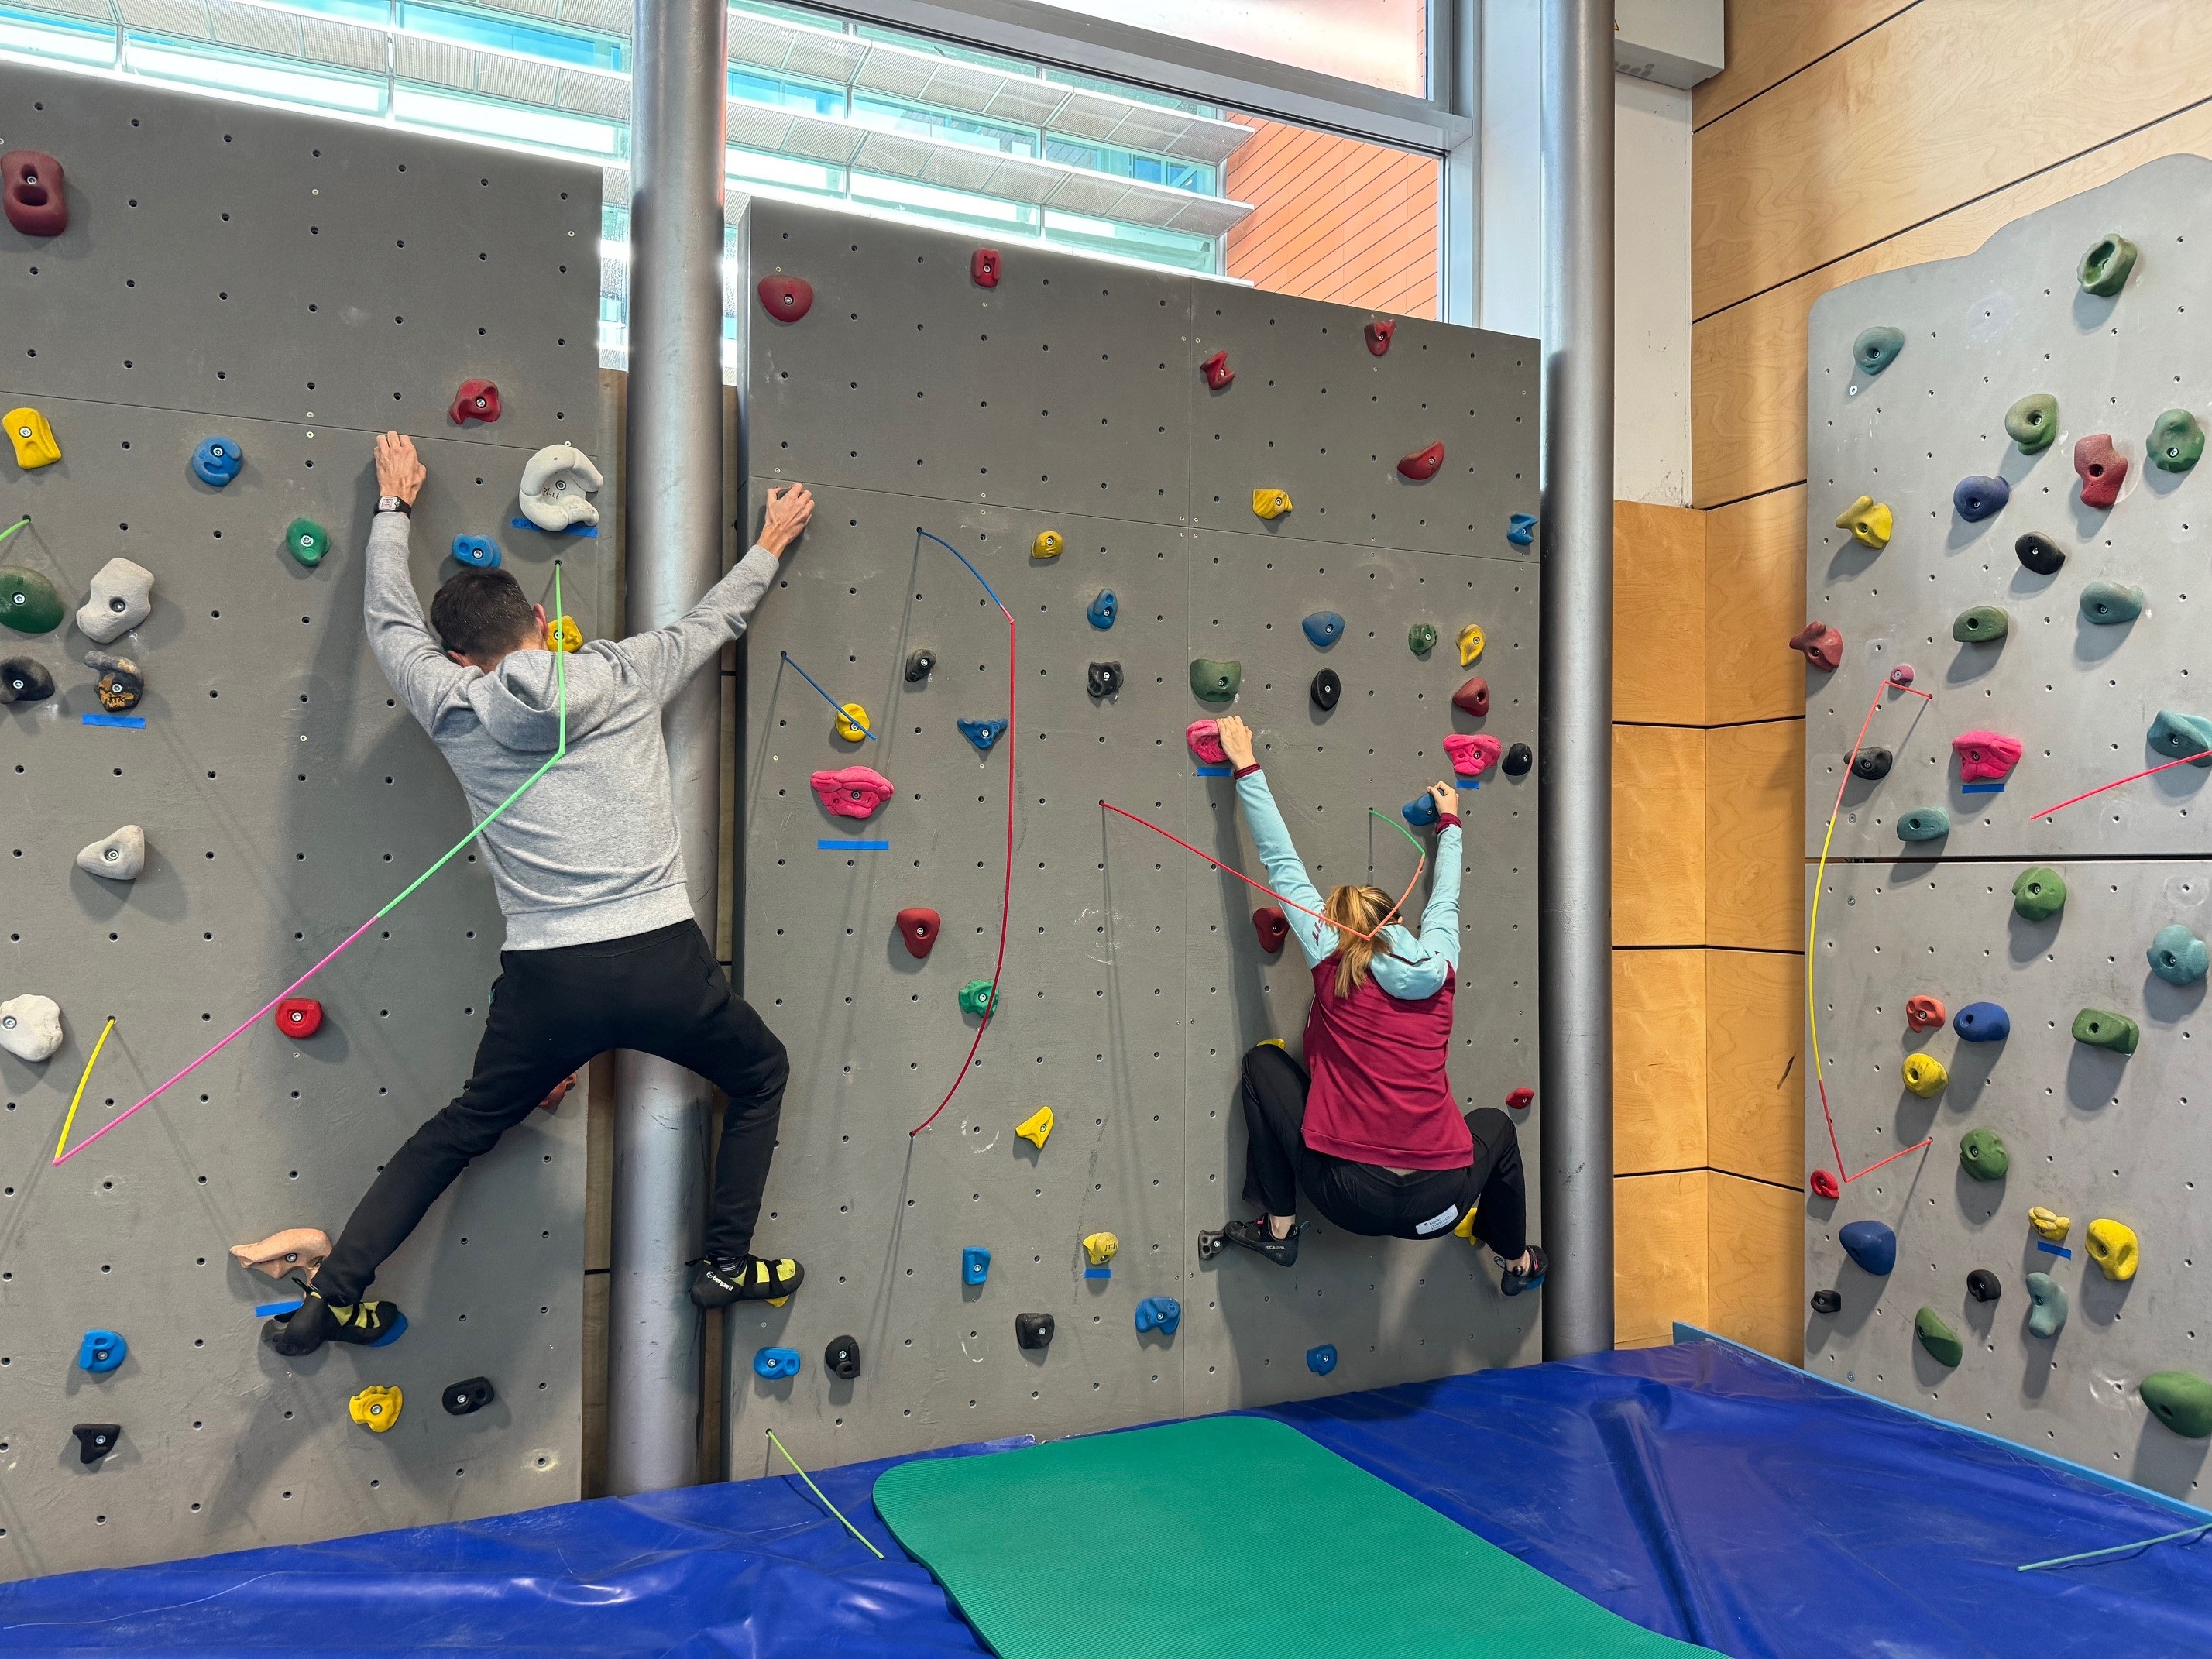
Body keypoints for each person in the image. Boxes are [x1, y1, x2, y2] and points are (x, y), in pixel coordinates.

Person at [261, 432, 814, 1356]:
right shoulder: (624, 672)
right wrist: (769, 543)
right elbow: (712, 623)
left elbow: (386, 623)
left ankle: (334, 1298)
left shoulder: (450, 700)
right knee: (760, 1074)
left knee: (463, 1128)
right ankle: (724, 1265)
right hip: (661, 963)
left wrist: (392, 508)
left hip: (549, 980)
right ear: (535, 623)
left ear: (462, 656)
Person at [1207, 715, 1545, 1297]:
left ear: (1341, 931)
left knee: (1264, 1065)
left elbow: (1282, 863)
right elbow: (1445, 898)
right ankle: (1517, 1262)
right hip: (1436, 1206)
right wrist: (1450, 825)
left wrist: (1246, 764)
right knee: (1497, 1131)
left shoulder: (1330, 954)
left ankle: (1279, 1225)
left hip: (1347, 1199)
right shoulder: (1440, 964)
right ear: (1396, 923)